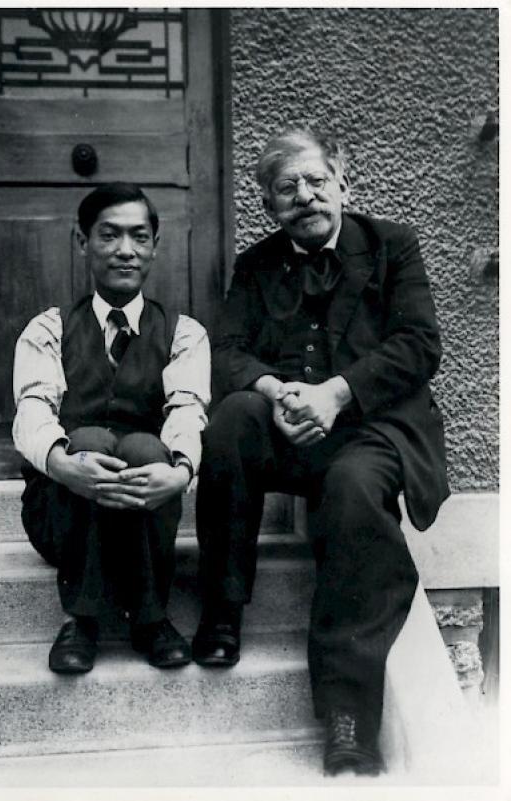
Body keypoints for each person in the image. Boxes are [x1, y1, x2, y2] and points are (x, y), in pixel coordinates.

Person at [192, 127, 449, 776]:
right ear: (270, 205)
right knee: (230, 421)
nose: (305, 197)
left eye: (315, 181)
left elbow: (419, 346)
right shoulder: (256, 265)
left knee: (356, 491)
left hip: (374, 431)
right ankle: (222, 611)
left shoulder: (393, 247)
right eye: (287, 188)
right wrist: (277, 390)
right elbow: (225, 352)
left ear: (343, 182)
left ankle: (348, 718)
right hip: (291, 422)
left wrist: (337, 393)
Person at [13, 182, 210, 675]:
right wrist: (61, 464)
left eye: (139, 237)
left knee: (148, 446)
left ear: (154, 247)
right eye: (109, 235)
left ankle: (149, 619)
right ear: (83, 243)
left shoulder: (184, 333)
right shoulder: (48, 329)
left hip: (146, 505)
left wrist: (182, 472)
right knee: (88, 441)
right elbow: (33, 409)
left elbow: (187, 410)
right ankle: (82, 618)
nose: (126, 250)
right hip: (63, 509)